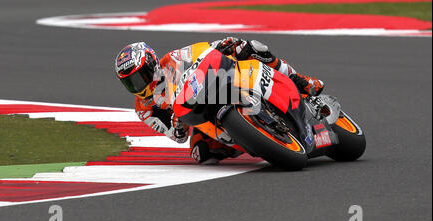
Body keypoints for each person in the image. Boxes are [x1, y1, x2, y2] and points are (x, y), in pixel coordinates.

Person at [115, 37, 324, 164]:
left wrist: (223, 45)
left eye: (139, 77)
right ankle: (258, 138)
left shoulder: (173, 59)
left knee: (251, 48)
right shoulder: (144, 109)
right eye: (130, 83)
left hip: (217, 83)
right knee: (201, 154)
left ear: (152, 63)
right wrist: (178, 123)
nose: (138, 86)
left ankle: (300, 81)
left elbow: (203, 50)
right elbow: (177, 137)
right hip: (198, 116)